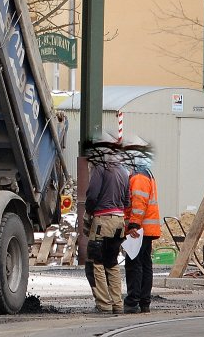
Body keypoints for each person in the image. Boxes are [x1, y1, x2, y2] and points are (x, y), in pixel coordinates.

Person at [83, 135, 130, 315]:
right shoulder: (123, 170)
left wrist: (90, 211)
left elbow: (93, 195)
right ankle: (118, 304)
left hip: (103, 220)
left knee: (97, 262)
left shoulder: (100, 167)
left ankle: (104, 304)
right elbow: (126, 201)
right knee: (112, 263)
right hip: (119, 222)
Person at [124, 151, 160, 314]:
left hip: (139, 229)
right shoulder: (145, 174)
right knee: (145, 265)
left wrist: (133, 225)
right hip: (146, 228)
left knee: (134, 264)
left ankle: (133, 301)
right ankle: (144, 302)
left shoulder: (138, 176)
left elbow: (139, 203)